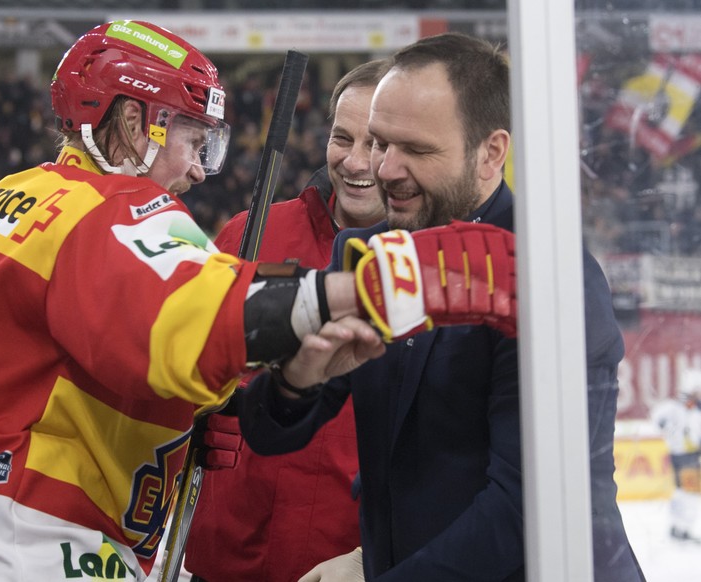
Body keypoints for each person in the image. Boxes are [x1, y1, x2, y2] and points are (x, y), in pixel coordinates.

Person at [0, 21, 516, 581]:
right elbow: (193, 324)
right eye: (198, 141)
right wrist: (381, 285)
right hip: (12, 543)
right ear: (138, 124)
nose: (200, 169)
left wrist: (207, 403)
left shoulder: (9, 197)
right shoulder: (111, 209)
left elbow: (77, 358)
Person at [240, 32, 646, 582]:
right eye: (382, 143)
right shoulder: (366, 251)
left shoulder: (548, 276)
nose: (383, 169)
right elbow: (269, 434)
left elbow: (523, 510)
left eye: (417, 150)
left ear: (491, 153)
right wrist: (295, 382)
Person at [184, 58, 391, 582]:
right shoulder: (248, 234)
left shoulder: (423, 266)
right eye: (343, 138)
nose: (356, 162)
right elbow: (187, 369)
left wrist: (371, 556)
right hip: (226, 557)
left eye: (379, 143)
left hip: (337, 565)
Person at [650, 367, 701, 543]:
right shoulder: (680, 409)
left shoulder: (688, 410)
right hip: (686, 456)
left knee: (683, 493)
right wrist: (669, 429)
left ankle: (679, 526)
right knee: (689, 494)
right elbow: (658, 418)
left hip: (686, 455)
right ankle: (682, 528)